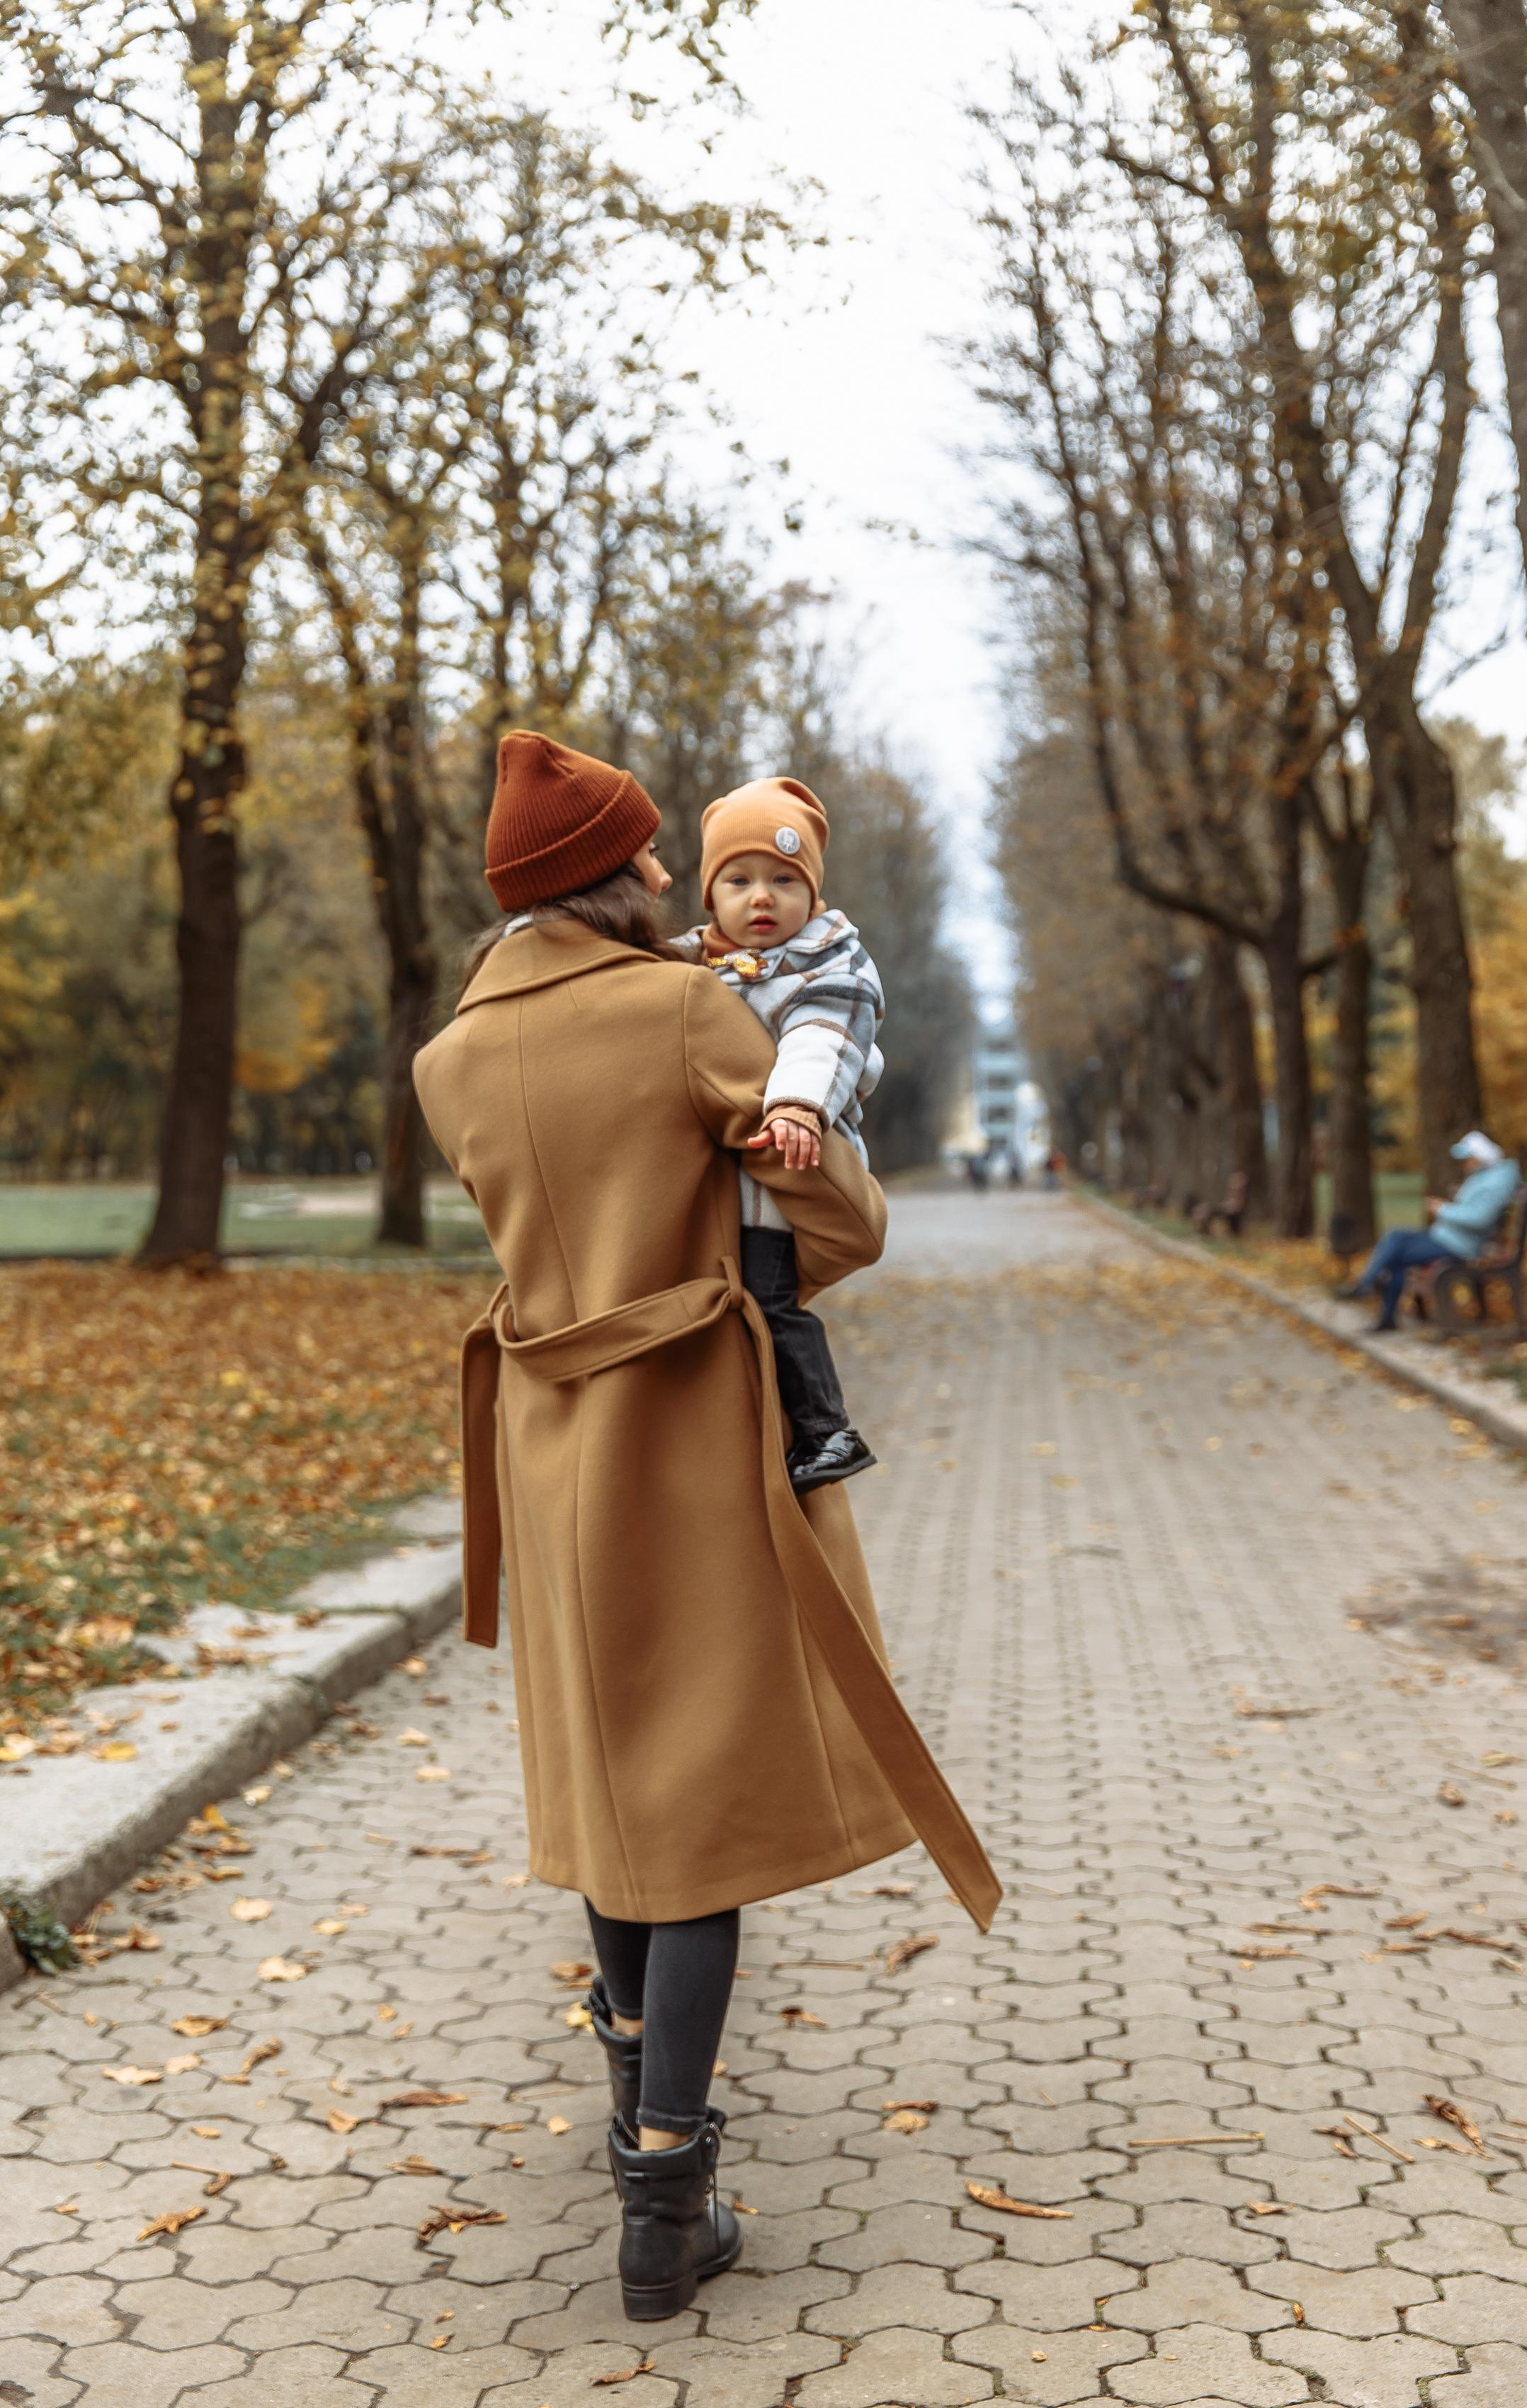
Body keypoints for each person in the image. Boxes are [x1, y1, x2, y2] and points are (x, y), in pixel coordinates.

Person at [412, 732, 999, 2326]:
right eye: (653, 854)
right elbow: (833, 1211)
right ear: (605, 874)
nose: (674, 875)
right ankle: (662, 2192)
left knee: (616, 1770)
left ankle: (628, 2088)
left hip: (551, 1431)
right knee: (703, 1795)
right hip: (691, 1426)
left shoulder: (447, 1054)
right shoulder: (687, 1009)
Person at [667, 776, 879, 1493]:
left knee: (768, 1302)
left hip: (789, 1168)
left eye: (784, 880)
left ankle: (826, 1428)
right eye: (739, 879)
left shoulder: (829, 964)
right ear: (711, 895)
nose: (761, 897)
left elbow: (820, 1037)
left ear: (812, 896)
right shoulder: (691, 961)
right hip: (724, 1181)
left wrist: (795, 1106)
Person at [1336, 1130, 1521, 1330]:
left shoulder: (1495, 1182)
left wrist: (1442, 1209)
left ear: (1479, 1157)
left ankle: (1366, 1286)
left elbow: (1479, 1219)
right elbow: (1474, 1210)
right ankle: (1380, 1308)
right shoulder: (1485, 1177)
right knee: (1395, 1244)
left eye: (1467, 1159)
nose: (1464, 1164)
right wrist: (1451, 1204)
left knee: (1395, 1243)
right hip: (1449, 1238)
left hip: (1460, 1245)